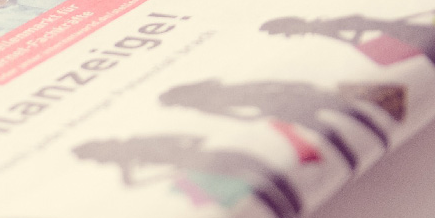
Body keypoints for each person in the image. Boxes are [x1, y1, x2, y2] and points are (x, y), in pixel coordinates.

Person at [72, 134, 302, 218]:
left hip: (213, 158)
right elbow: (130, 183)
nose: (100, 159)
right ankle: (287, 215)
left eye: (96, 155)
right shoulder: (127, 158)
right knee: (255, 187)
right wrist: (172, 170)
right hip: (205, 167)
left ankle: (292, 210)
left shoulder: (139, 144)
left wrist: (182, 156)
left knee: (268, 176)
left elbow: (193, 139)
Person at [159, 79, 393, 170]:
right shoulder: (209, 95)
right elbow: (253, 91)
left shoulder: (206, 102)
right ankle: (380, 134)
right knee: (346, 114)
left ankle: (359, 155)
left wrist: (264, 112)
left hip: (283, 105)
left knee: (332, 129)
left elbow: (242, 115)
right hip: (284, 98)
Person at [260, 12, 435, 92]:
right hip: (398, 38)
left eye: (283, 32)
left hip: (400, 36)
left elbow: (364, 25)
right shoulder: (321, 29)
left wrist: (361, 41)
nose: (286, 37)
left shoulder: (325, 25)